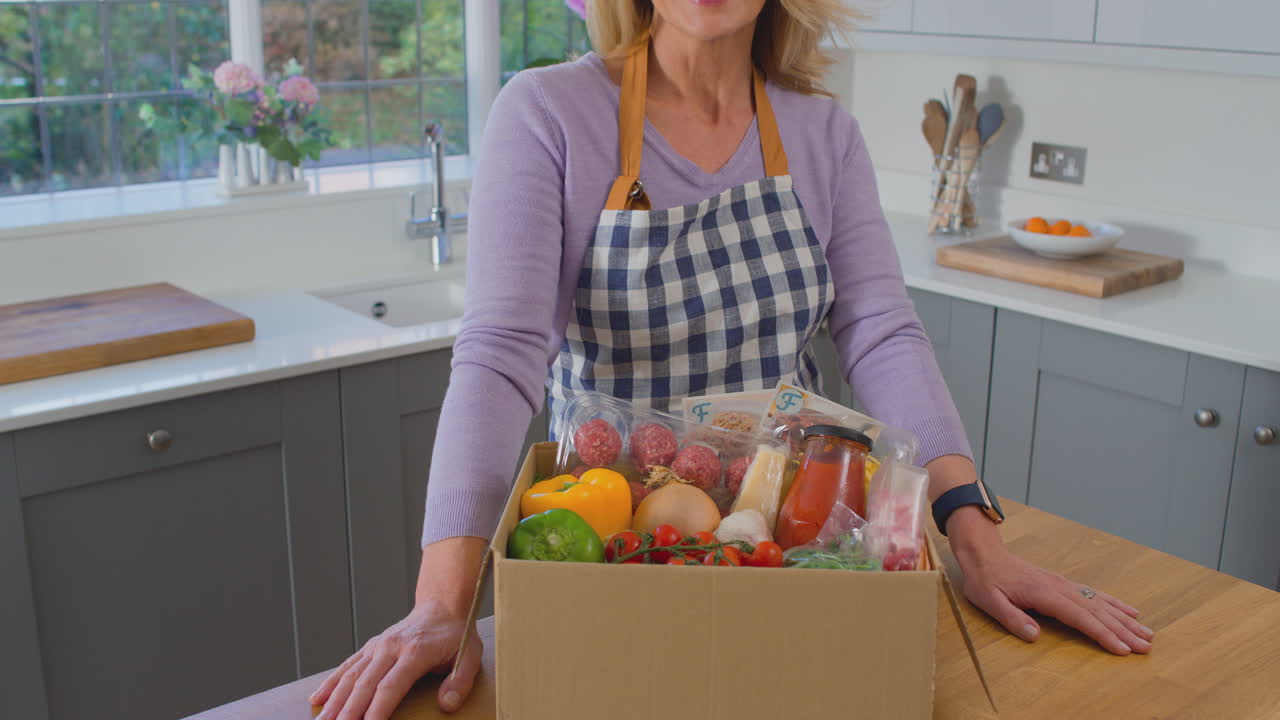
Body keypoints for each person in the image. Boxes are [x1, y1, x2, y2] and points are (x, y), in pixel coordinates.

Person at [309, 1, 1154, 717]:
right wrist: (439, 606)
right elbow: (500, 355)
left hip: (794, 552)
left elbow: (881, 330)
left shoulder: (823, 134)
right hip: (615, 560)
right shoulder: (549, 114)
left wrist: (974, 538)